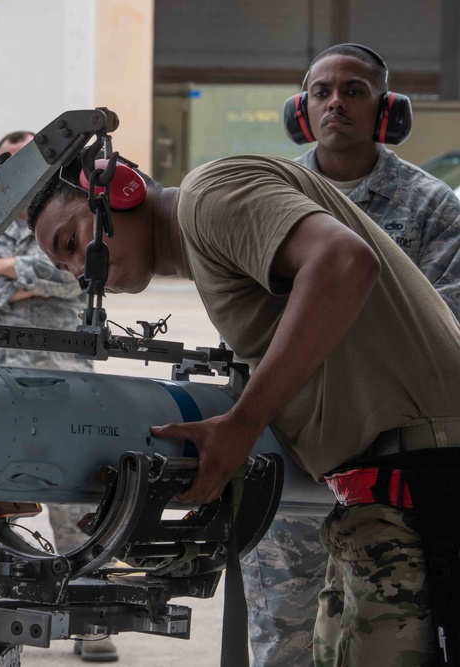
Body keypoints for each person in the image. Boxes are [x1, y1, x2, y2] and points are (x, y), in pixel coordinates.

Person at [27, 142, 460, 665]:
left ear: (120, 189)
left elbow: (344, 261)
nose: (80, 271)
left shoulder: (212, 196)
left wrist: (243, 422)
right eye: (65, 264)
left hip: (425, 483)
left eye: (73, 241)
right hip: (383, 496)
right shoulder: (214, 253)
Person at [240, 43, 460, 667]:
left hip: (385, 461)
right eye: (321, 91)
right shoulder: (269, 194)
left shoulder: (430, 206)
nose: (336, 101)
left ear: (386, 109)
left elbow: (445, 327)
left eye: (354, 90)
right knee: (280, 629)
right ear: (301, 109)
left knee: (382, 634)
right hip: (286, 443)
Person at [0, 131, 115, 663]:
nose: (14, 167)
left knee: (80, 504)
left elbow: (76, 278)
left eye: (25, 158)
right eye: (4, 160)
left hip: (61, 387)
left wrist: (3, 272)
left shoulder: (79, 214)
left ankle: (92, 620)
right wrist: (31, 277)